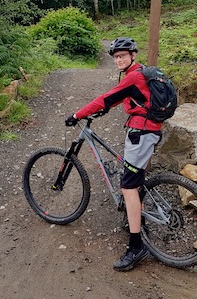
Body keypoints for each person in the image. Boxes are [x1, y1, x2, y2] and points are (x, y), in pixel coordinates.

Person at [65, 37, 163, 272]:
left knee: (127, 186)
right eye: (116, 57)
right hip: (148, 129)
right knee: (134, 179)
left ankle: (136, 246)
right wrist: (106, 108)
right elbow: (125, 99)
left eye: (123, 56)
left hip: (141, 132)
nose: (119, 59)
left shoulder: (133, 76)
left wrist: (78, 115)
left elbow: (106, 99)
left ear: (133, 56)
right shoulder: (141, 73)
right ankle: (136, 220)